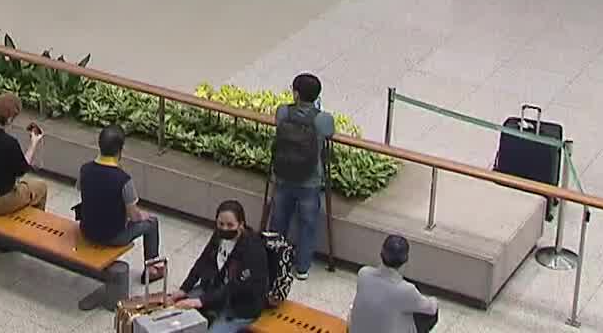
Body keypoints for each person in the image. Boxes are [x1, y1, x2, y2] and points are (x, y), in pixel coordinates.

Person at [270, 72, 336, 280]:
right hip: (309, 181)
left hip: (282, 176)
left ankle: (274, 260)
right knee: (307, 224)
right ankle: (302, 267)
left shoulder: (283, 112)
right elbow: (329, 133)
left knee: (279, 220)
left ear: (296, 93)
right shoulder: (322, 119)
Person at [172, 200, 272, 333]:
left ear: (241, 225)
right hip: (215, 289)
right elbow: (202, 262)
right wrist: (184, 289)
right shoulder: (219, 235)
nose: (224, 228)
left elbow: (235, 287)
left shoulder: (253, 250)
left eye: (230, 225)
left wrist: (201, 301)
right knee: (176, 311)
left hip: (239, 305)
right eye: (221, 224)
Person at [77, 124, 162, 268]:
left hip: (86, 230)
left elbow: (82, 190)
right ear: (120, 150)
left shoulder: (85, 169)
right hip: (113, 236)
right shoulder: (124, 179)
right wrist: (143, 216)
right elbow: (134, 216)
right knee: (152, 223)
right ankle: (151, 268)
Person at [349, 234, 439, 333]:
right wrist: (434, 300)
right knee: (427, 314)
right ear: (406, 260)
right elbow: (431, 309)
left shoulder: (363, 273)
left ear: (381, 254)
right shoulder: (406, 290)